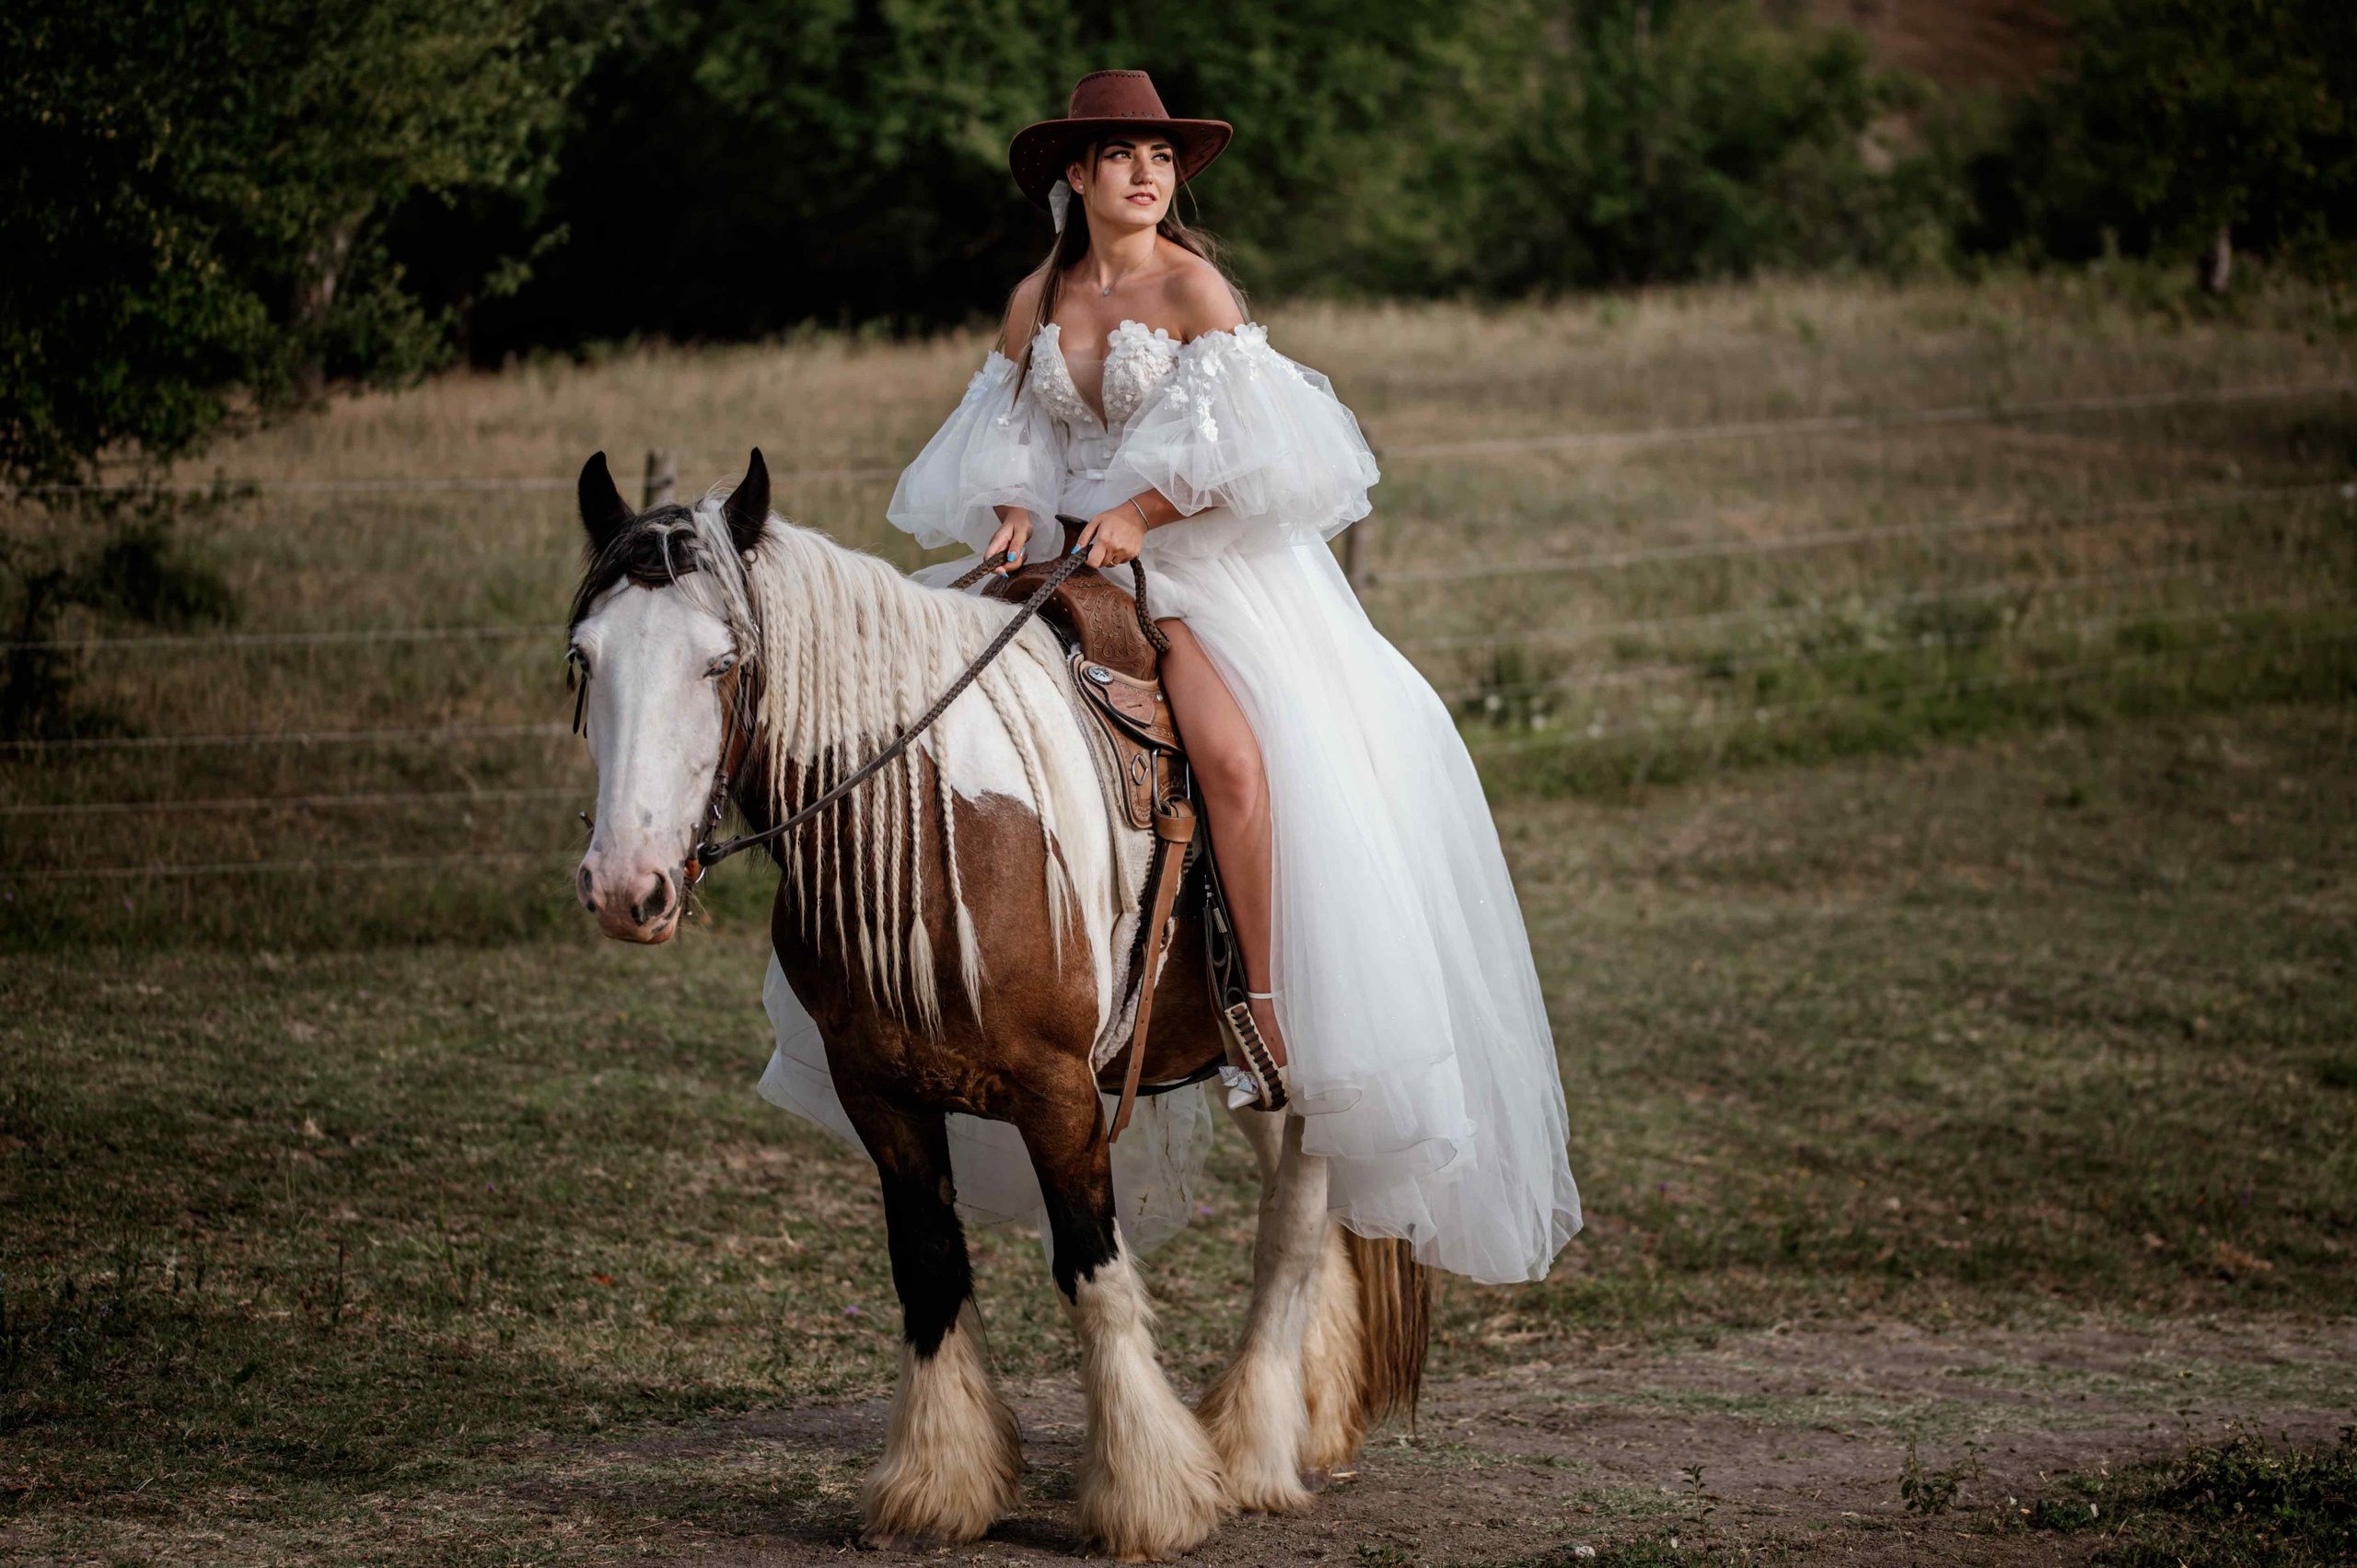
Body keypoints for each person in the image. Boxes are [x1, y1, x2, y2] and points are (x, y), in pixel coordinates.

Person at [760, 69, 1579, 1284]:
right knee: (912, 711)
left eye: (1161, 155)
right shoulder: (1037, 297)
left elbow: (1249, 450)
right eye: (1121, 154)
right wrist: (1017, 515)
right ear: (1075, 176)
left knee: (1238, 765)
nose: (1148, 173)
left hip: (1197, 563)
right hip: (1061, 560)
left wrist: (1140, 512)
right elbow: (1016, 441)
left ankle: (1259, 1008)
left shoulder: (1193, 287)